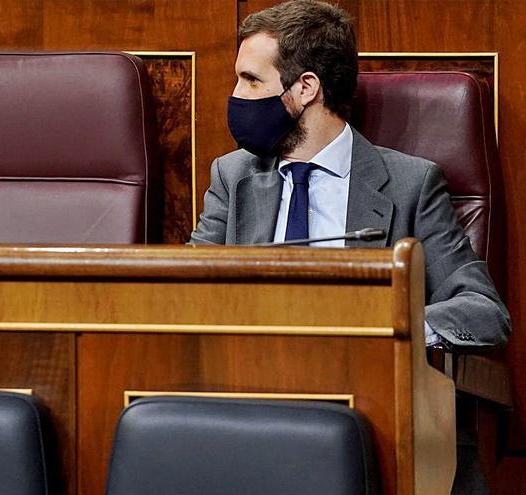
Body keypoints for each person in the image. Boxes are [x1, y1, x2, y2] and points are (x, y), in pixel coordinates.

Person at [189, 1, 510, 493]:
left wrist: (394, 329)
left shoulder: (409, 184)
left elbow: (483, 310)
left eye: (250, 80)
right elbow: (182, 290)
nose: (236, 95)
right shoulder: (233, 177)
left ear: (305, 88)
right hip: (248, 396)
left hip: (365, 406)